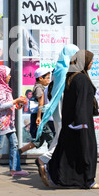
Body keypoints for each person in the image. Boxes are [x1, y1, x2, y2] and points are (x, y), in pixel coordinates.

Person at [44, 50, 99, 189]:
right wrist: (81, 124)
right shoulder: (81, 79)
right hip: (82, 123)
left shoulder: (73, 77)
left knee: (70, 151)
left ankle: (62, 175)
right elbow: (81, 103)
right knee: (86, 151)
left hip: (73, 122)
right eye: (90, 60)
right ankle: (88, 181)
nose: (92, 63)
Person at [34, 44, 79, 176]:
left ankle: (52, 166)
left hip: (57, 107)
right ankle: (43, 159)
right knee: (64, 137)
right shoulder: (66, 71)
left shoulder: (58, 69)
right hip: (63, 107)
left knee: (58, 137)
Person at [19, 67, 54, 154]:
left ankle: (18, 152)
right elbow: (40, 103)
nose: (49, 80)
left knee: (39, 141)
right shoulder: (39, 88)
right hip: (41, 117)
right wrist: (39, 117)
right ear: (41, 78)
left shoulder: (40, 86)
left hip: (40, 116)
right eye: (47, 78)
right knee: (51, 140)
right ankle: (51, 160)